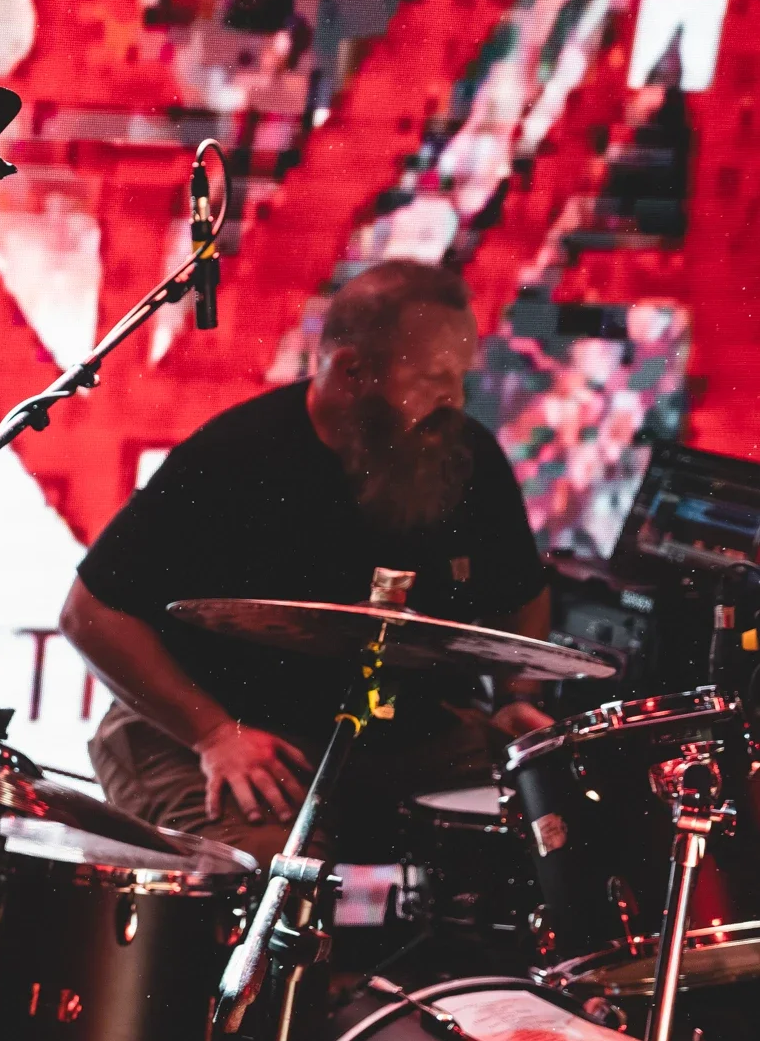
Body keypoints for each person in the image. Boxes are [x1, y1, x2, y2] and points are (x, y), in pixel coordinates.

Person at [61, 259, 556, 864]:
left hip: (392, 735)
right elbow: (90, 615)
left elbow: (522, 593)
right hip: (211, 726)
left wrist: (514, 694)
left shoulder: (464, 455)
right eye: (430, 380)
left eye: (459, 378)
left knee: (557, 827)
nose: (452, 399)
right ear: (351, 371)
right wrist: (214, 734)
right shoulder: (234, 458)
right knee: (264, 874)